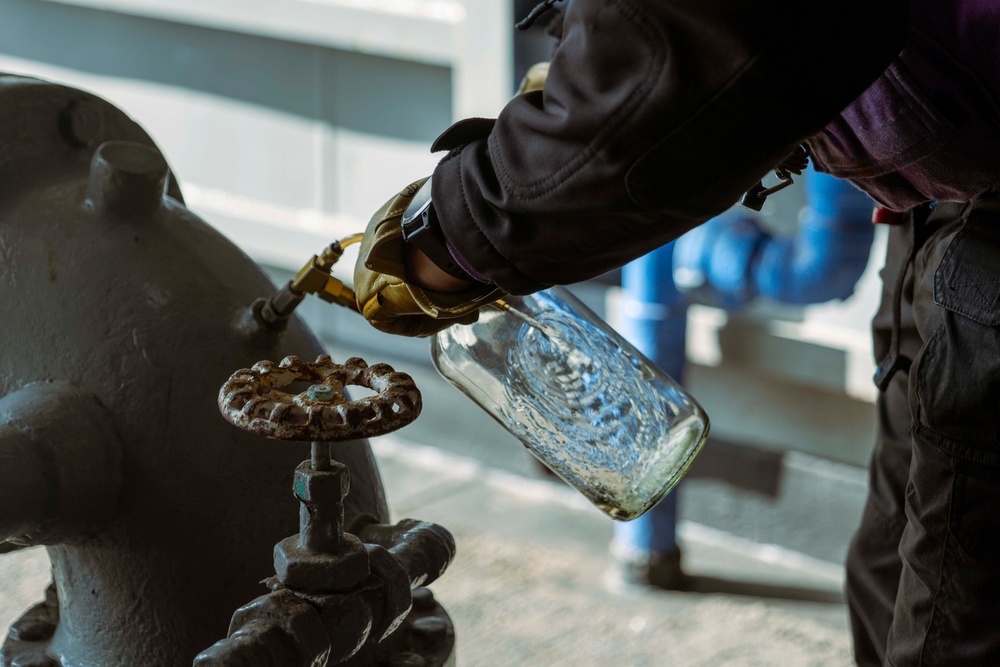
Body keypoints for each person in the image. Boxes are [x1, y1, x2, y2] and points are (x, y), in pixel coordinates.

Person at [352, 1, 1000, 664]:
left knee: (957, 608)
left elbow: (690, 30)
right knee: (894, 563)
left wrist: (458, 235)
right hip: (950, 168)